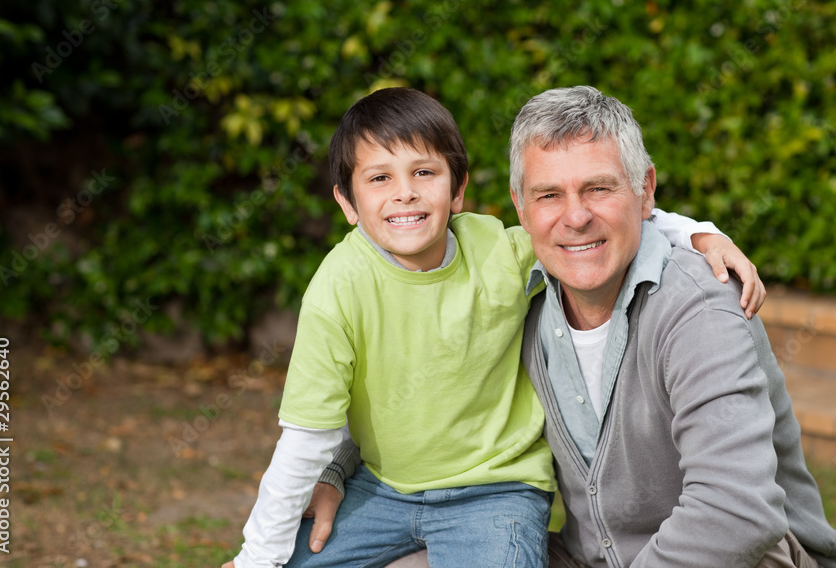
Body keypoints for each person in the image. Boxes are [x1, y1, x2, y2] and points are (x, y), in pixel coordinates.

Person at [226, 87, 764, 568]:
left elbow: (603, 217)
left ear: (457, 190)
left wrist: (700, 235)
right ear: (347, 201)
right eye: (379, 178)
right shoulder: (337, 287)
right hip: (386, 490)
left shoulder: (501, 255)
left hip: (495, 492)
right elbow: (311, 433)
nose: (405, 193)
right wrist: (261, 554)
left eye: (424, 173)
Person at [508, 85, 836, 567]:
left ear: (645, 190)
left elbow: (738, 512)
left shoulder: (699, 307)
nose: (576, 216)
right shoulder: (519, 298)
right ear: (521, 207)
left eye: (598, 188)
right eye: (549, 195)